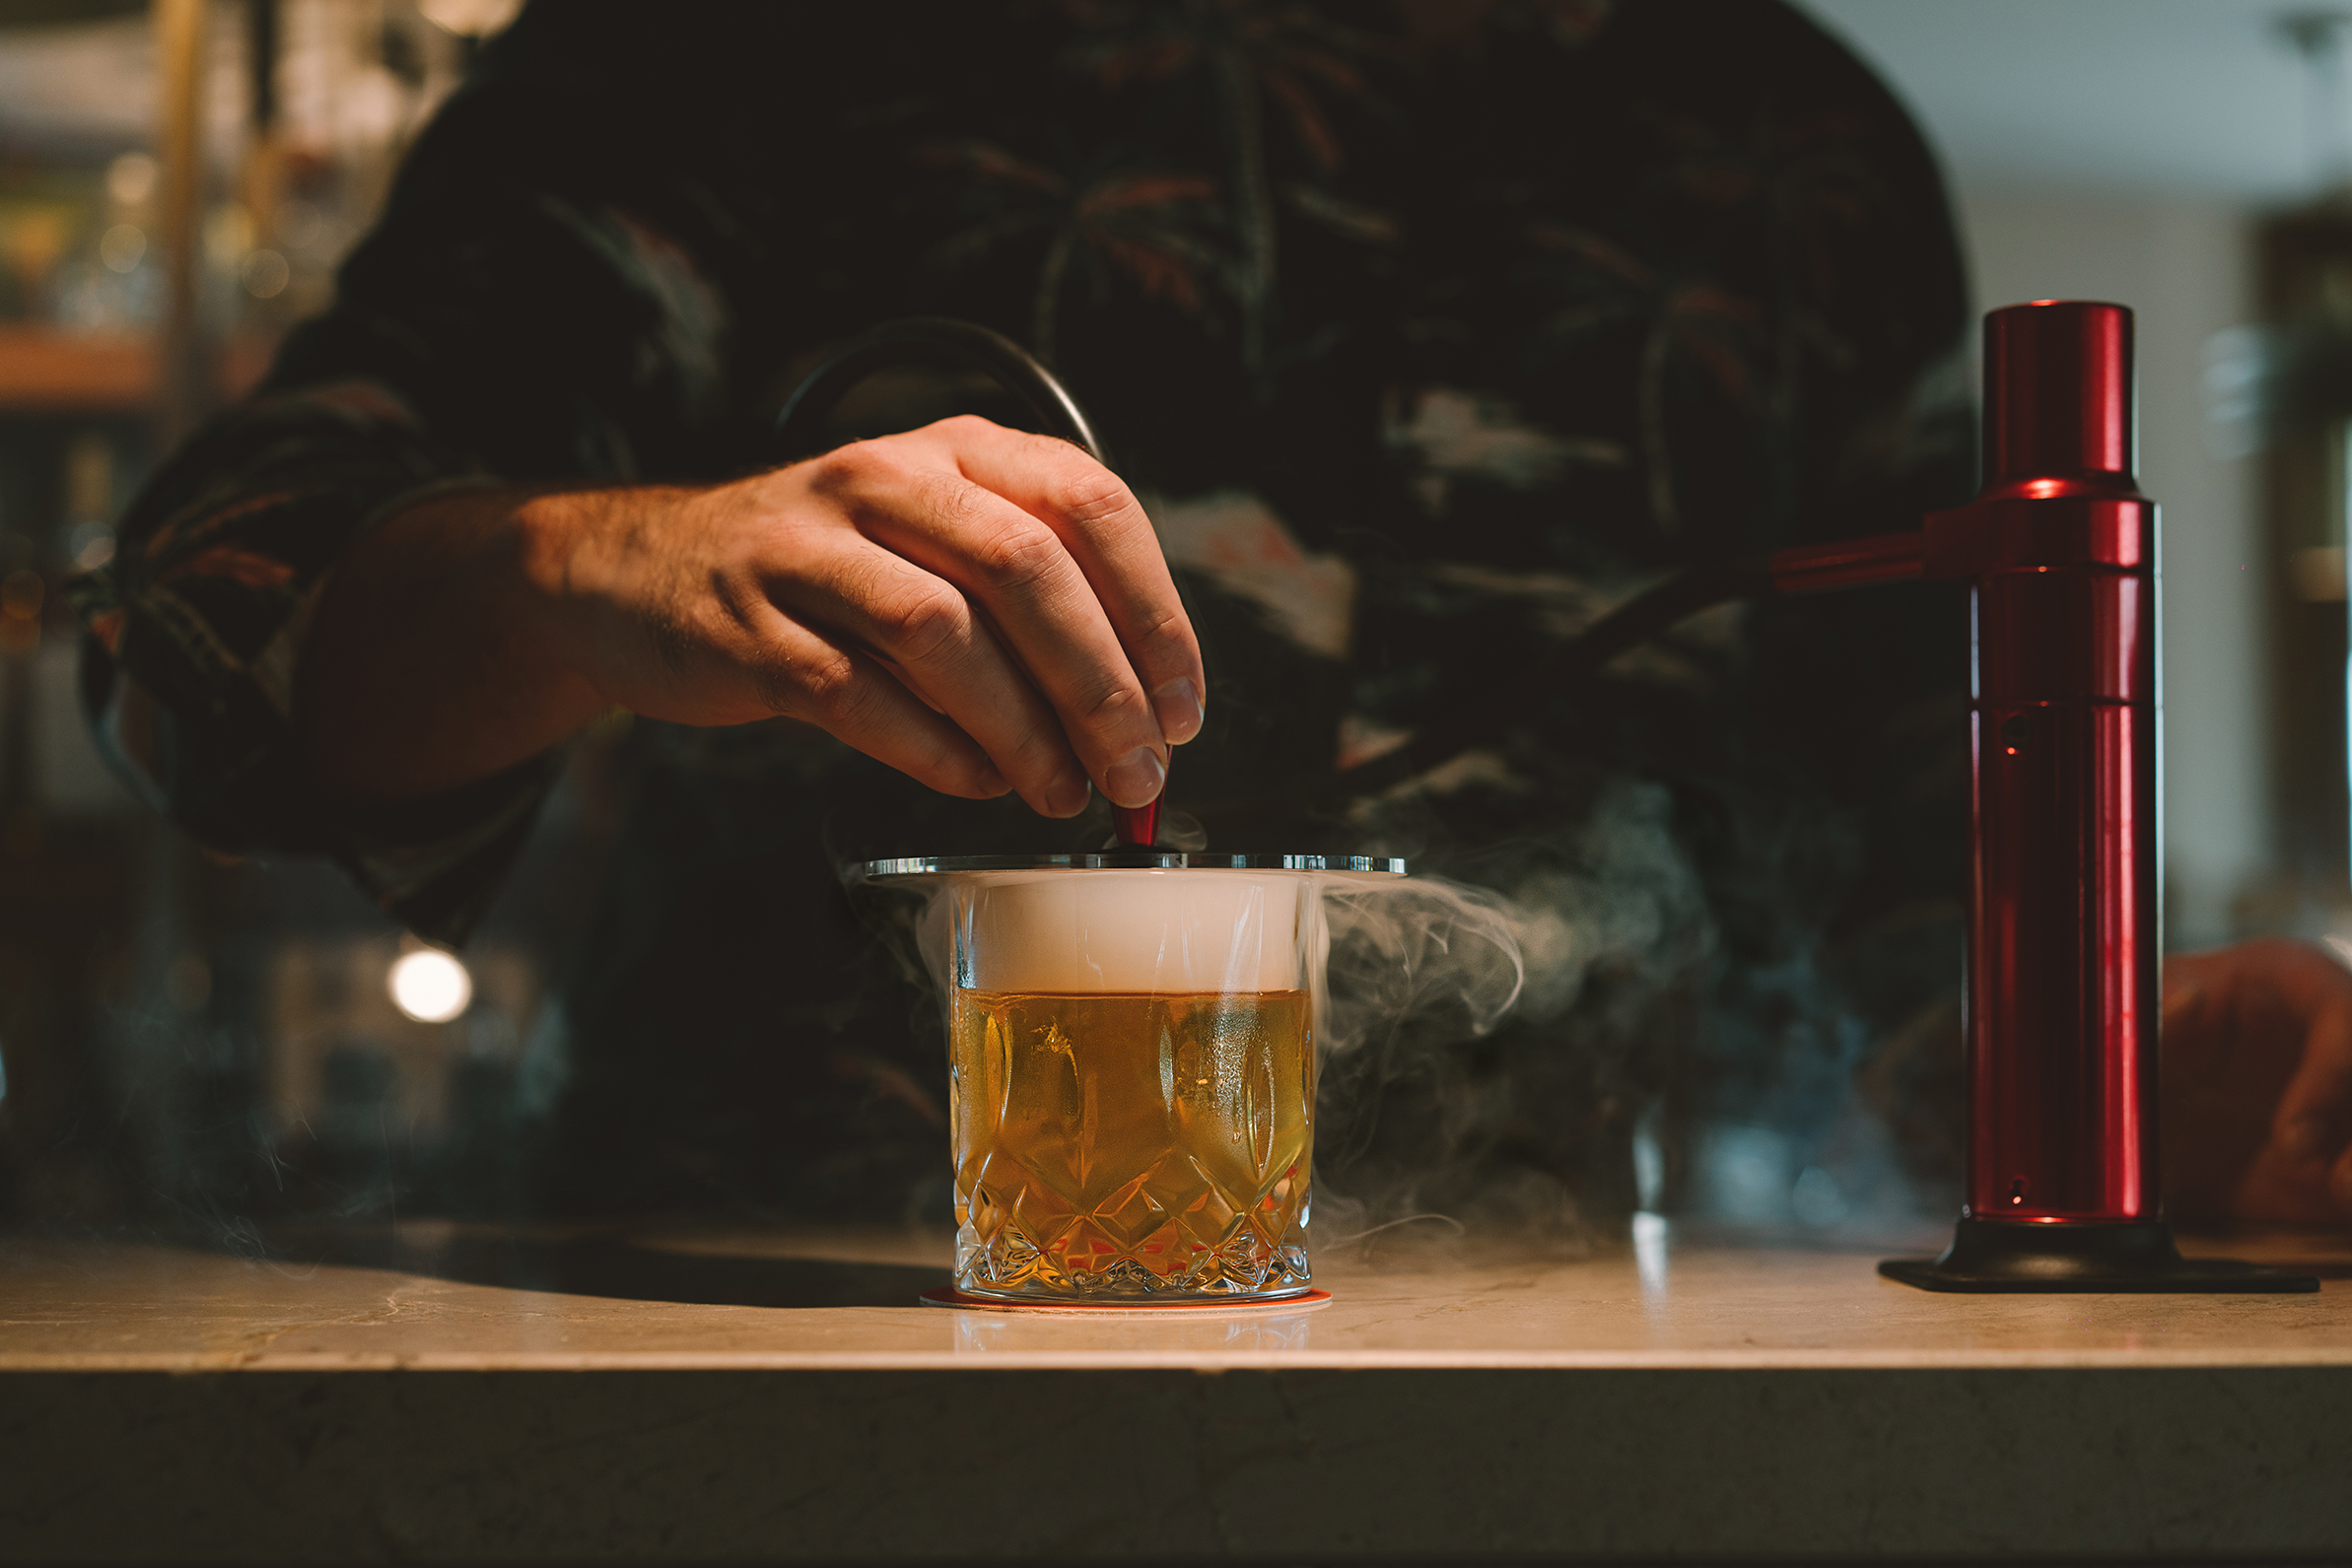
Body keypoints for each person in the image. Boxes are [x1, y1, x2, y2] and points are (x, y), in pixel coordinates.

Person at [72, 0, 2352, 1227]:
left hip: (1546, 1435)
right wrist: (594, 563)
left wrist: (2114, 1095)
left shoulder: (1782, 142)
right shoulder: (731, 57)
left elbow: (1858, 927)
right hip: (761, 1399)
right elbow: (194, 651)